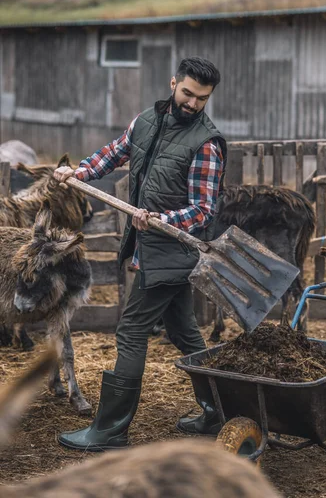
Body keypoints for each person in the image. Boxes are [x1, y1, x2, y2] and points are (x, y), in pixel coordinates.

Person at [55, 57, 227, 451]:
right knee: (185, 332)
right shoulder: (146, 121)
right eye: (187, 93)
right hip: (151, 247)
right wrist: (78, 172)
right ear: (173, 84)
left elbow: (203, 209)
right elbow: (113, 154)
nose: (193, 104)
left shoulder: (206, 144)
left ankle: (111, 429)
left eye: (202, 98)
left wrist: (162, 219)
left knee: (131, 332)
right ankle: (220, 407)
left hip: (172, 253)